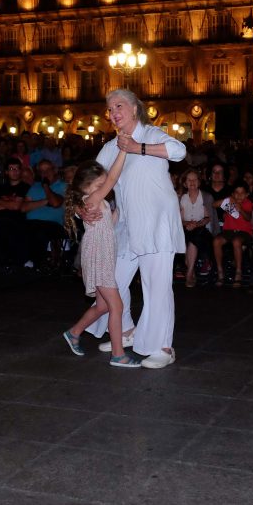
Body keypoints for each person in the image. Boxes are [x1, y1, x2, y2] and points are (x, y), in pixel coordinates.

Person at [82, 88, 186, 370]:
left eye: (119, 106)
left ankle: (163, 346)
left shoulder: (152, 134)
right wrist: (83, 204)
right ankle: (126, 330)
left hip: (156, 224)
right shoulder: (110, 147)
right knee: (113, 280)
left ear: (134, 109)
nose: (114, 113)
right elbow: (93, 178)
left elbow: (179, 151)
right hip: (127, 225)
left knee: (157, 286)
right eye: (110, 109)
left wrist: (138, 148)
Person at [61, 153, 141, 368]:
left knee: (104, 306)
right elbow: (114, 177)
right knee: (117, 305)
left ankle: (74, 332)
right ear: (88, 186)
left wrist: (120, 211)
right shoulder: (92, 200)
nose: (106, 185)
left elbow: (109, 223)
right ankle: (118, 354)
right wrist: (123, 151)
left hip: (101, 256)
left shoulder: (98, 202)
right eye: (101, 183)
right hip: (100, 257)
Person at [212, 183, 253, 288]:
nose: (239, 196)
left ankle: (238, 272)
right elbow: (214, 204)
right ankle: (220, 272)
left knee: (236, 241)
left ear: (247, 194)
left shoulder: (248, 203)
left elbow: (248, 218)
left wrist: (241, 209)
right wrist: (226, 200)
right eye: (236, 193)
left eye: (242, 193)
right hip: (229, 231)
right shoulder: (229, 202)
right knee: (216, 241)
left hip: (244, 232)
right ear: (233, 194)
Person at [179, 169, 215, 288]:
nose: (192, 182)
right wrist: (188, 224)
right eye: (189, 180)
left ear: (199, 182)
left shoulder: (206, 197)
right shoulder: (182, 198)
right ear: (185, 183)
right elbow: (180, 219)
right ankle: (191, 270)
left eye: (195, 179)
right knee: (186, 236)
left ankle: (189, 274)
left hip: (203, 230)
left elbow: (208, 218)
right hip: (186, 228)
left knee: (194, 236)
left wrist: (196, 225)